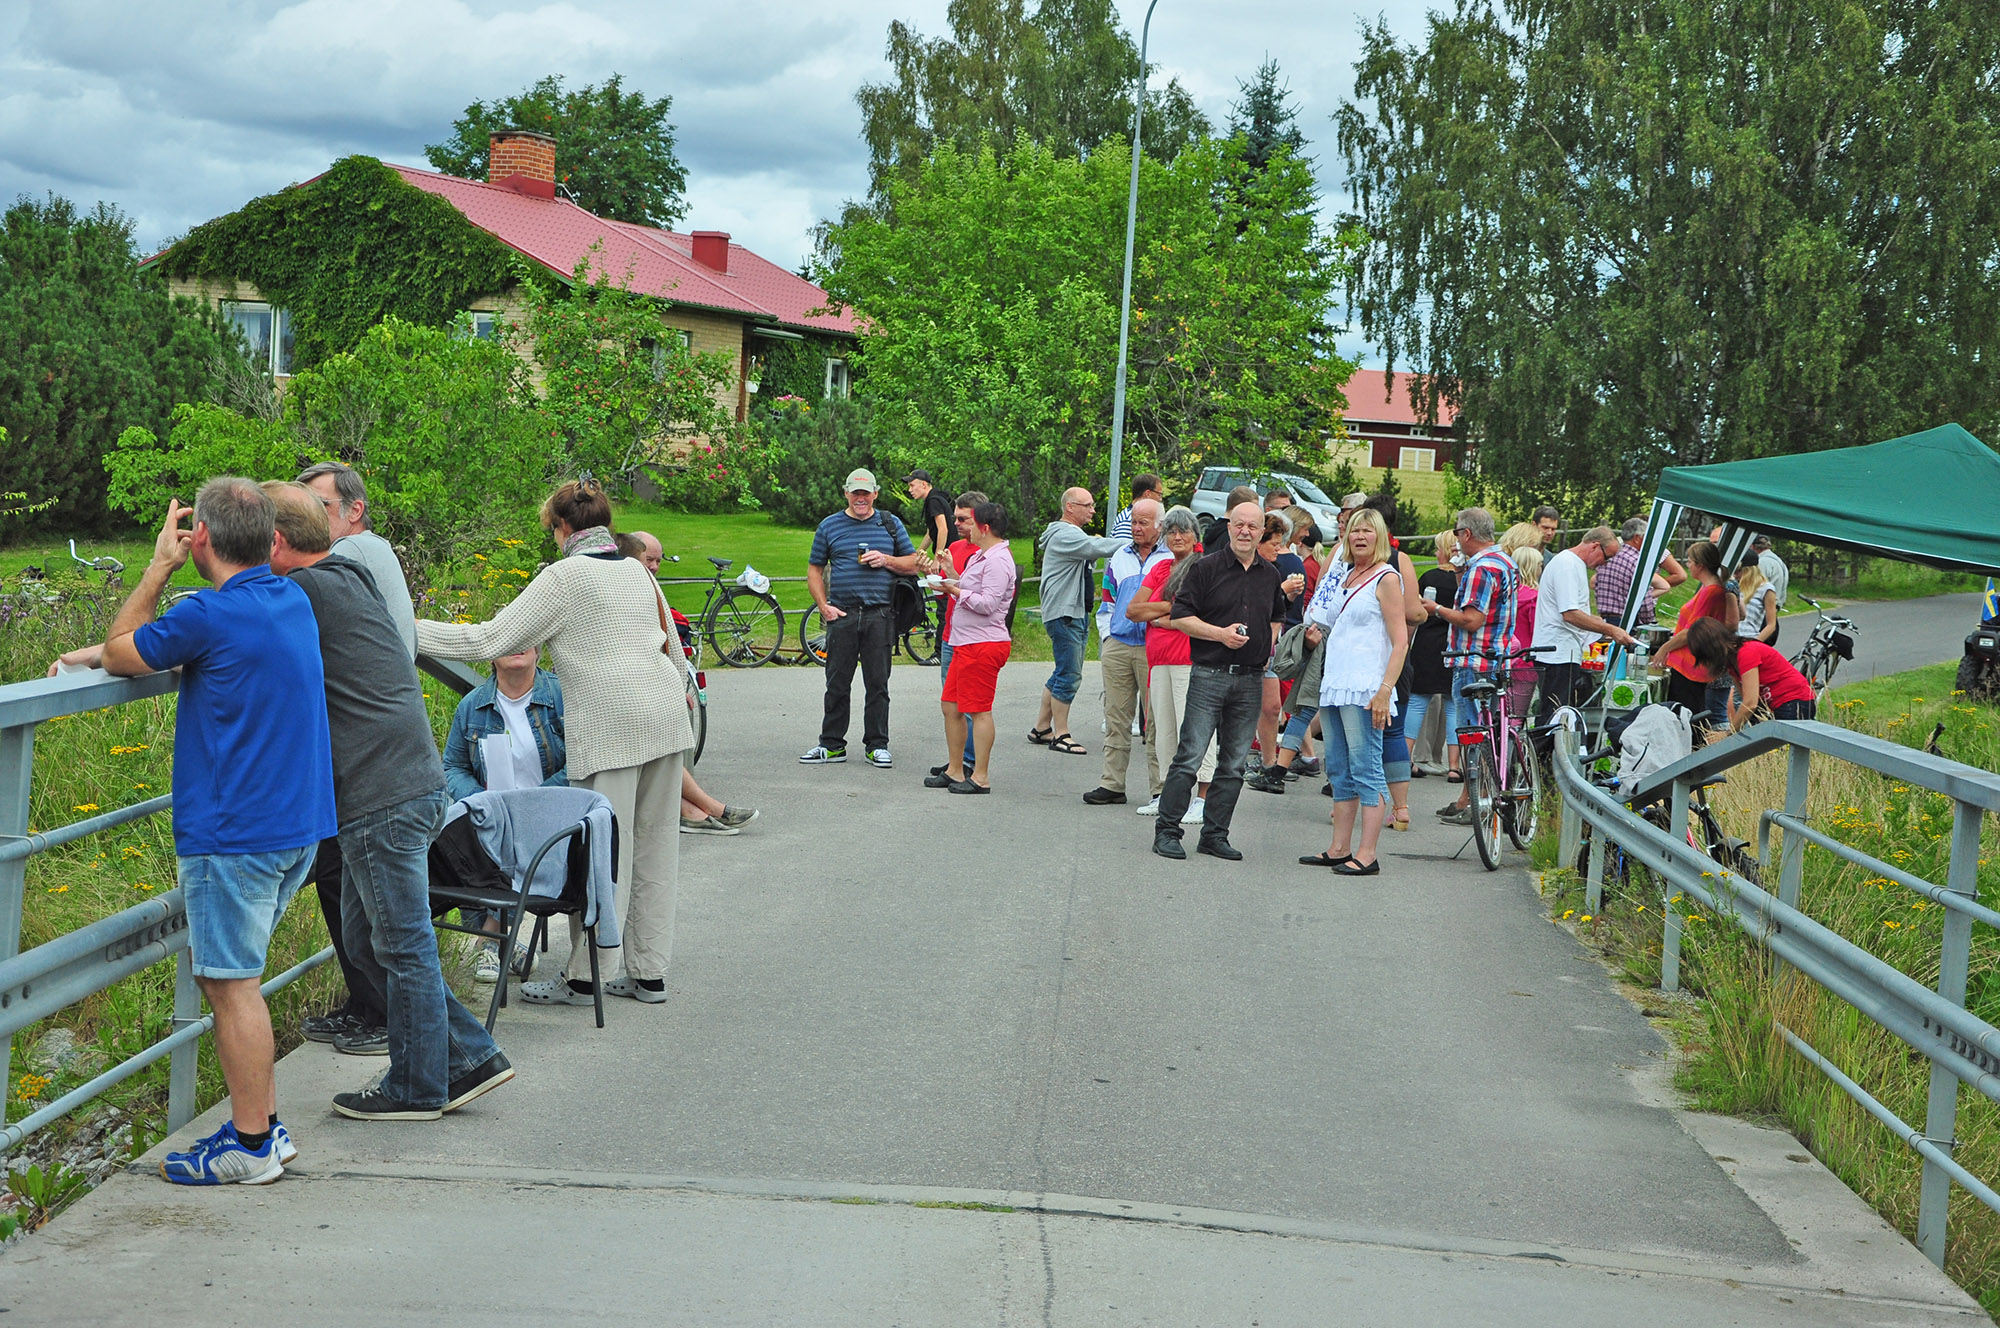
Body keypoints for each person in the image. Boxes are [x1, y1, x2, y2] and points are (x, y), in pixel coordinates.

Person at [62, 481, 337, 1183]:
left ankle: (249, 1148)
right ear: (271, 539)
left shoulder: (210, 614)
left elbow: (127, 648)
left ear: (202, 539)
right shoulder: (289, 600)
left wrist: (158, 568)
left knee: (230, 985)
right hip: (295, 827)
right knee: (240, 980)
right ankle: (267, 1133)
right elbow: (149, 646)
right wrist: (103, 650)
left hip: (235, 835)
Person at [263, 482, 511, 1122]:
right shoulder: (346, 575)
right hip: (406, 782)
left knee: (398, 945)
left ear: (275, 542)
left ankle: (418, 1085)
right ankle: (468, 1054)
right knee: (370, 938)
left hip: (382, 793)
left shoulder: (300, 593)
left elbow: (224, 632)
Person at [418, 479, 696, 1008]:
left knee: (600, 852)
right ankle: (649, 972)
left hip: (612, 723)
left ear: (561, 527)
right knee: (657, 844)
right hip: (663, 715)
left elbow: (490, 639)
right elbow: (672, 644)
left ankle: (587, 975)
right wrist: (681, 693)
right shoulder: (636, 568)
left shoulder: (565, 576)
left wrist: (406, 630)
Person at [293, 461, 412, 1055]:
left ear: (352, 511)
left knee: (373, 913)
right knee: (356, 897)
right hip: (382, 749)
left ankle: (383, 1018)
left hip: (368, 757)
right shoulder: (371, 555)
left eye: (318, 506)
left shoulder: (350, 560)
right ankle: (375, 1010)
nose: (308, 519)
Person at [1150, 502, 1288, 862]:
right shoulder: (1205, 568)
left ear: (1261, 531)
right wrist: (1219, 635)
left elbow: (1277, 616)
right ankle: (1167, 831)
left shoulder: (1270, 575)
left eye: (1253, 526)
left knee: (1234, 764)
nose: (1245, 531)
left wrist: (1268, 641)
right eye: (1239, 524)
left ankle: (1214, 834)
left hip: (1250, 679)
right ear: (1229, 528)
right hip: (1209, 674)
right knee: (1190, 756)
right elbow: (1180, 617)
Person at [612, 532, 757, 836]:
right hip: (623, 697)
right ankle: (702, 808)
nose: (652, 566)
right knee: (658, 730)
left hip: (644, 689)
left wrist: (675, 688)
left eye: (657, 561)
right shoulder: (623, 591)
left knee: (675, 716)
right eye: (647, 559)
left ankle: (690, 808)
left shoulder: (645, 589)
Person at [441, 647, 568, 981]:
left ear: (538, 650)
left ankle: (490, 940)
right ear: (492, 655)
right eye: (507, 640)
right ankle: (503, 942)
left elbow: (581, 759)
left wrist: (532, 802)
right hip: (493, 814)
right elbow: (452, 766)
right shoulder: (473, 705)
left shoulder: (560, 694)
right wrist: (481, 799)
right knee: (457, 831)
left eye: (524, 638)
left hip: (550, 813)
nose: (516, 646)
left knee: (518, 837)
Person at [1298, 509, 1410, 876]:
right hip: (1335, 683)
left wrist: (1384, 690)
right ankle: (1339, 847)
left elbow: (1400, 641)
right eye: (1353, 531)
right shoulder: (1344, 575)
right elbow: (1324, 619)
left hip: (1365, 687)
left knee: (1367, 769)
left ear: (1380, 537)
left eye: (1367, 531)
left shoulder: (1387, 578)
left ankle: (1367, 853)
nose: (1359, 537)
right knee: (1339, 770)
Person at [800, 469, 925, 768]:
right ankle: (831, 745)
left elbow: (913, 564)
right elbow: (815, 570)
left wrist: (886, 559)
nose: (860, 498)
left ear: (875, 494)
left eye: (865, 493)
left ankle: (877, 745)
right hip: (841, 613)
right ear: (846, 493)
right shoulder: (829, 526)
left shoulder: (890, 524)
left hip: (880, 614)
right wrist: (823, 606)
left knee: (878, 684)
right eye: (855, 493)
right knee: (837, 683)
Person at [1422, 508, 1515, 825]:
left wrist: (1436, 609)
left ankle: (1477, 801)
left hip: (1473, 659)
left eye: (1457, 532)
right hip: (1496, 656)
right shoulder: (1505, 562)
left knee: (1471, 734)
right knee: (1485, 732)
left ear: (1466, 534)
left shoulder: (1481, 569)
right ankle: (1470, 798)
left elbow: (1471, 620)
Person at [926, 500, 1019, 792]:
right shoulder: (982, 556)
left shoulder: (998, 561)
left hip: (984, 642)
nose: (963, 526)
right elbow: (970, 587)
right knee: (950, 705)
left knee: (978, 710)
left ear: (985, 527)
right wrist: (950, 575)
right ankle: (955, 769)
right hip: (965, 641)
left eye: (970, 521)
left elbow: (989, 604)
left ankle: (980, 776)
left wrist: (955, 590)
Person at [1128, 506, 1213, 821]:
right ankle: (1167, 795)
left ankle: (1203, 798)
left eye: (1184, 531)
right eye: (1172, 532)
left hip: (1189, 659)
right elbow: (1133, 611)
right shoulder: (1161, 567)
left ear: (1195, 536)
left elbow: (1199, 615)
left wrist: (1168, 617)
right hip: (1158, 660)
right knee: (1162, 731)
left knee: (1192, 729)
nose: (1177, 537)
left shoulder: (1203, 567)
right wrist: (1170, 607)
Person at [1084, 498, 1170, 806]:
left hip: (1154, 646)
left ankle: (1161, 788)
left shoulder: (1171, 557)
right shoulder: (1119, 556)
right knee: (1116, 717)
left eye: (1143, 523)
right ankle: (1112, 783)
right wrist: (1108, 637)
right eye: (1133, 521)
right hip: (1119, 644)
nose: (1135, 528)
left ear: (1160, 525)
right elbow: (1107, 600)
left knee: (1158, 721)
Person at [1032, 487, 1124, 757]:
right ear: (1070, 507)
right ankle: (1061, 734)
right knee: (1069, 674)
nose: (1093, 510)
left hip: (1072, 611)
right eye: (1088, 505)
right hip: (1065, 613)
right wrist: (1138, 543)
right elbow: (1098, 547)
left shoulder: (1070, 534)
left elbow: (1092, 545)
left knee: (1063, 670)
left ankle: (1041, 727)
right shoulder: (1065, 534)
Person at [296, 461, 415, 658]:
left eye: (320, 504)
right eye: (302, 506)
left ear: (354, 510)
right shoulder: (376, 547)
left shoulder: (352, 548)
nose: (308, 515)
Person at [1532, 528, 1639, 726]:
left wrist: (1599, 622)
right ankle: (1543, 755)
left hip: (1565, 651)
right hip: (1557, 653)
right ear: (1595, 546)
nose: (1604, 564)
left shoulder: (1574, 564)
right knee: (1553, 717)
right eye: (1607, 557)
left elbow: (1573, 610)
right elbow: (1570, 614)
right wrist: (1610, 630)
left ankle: (1552, 754)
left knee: (1562, 716)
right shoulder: (1567, 566)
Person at [1656, 540, 1742, 727]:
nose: (1687, 565)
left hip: (1690, 665)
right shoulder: (1711, 589)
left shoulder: (1710, 592)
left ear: (1700, 565)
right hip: (1690, 663)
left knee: (1686, 717)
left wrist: (1664, 648)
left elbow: (1691, 631)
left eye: (1690, 561)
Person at [930, 492, 986, 779]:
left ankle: (970, 762)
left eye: (962, 519)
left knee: (970, 704)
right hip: (951, 633)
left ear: (979, 519)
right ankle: (956, 762)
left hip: (973, 638)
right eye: (955, 518)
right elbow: (948, 589)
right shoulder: (954, 546)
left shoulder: (987, 553)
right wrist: (933, 576)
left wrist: (951, 575)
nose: (956, 524)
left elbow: (980, 595)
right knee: (950, 704)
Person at [1252, 513, 1309, 781]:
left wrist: (1286, 596)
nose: (1279, 548)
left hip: (1270, 648)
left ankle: (1269, 763)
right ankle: (1254, 760)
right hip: (1249, 647)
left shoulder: (1273, 570)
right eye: (1274, 543)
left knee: (1274, 707)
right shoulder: (1248, 569)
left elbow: (1277, 613)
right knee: (1247, 706)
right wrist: (1282, 592)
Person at [1687, 617, 1817, 729]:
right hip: (1774, 705)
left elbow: (1750, 703)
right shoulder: (1731, 663)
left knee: (1783, 750)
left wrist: (1728, 734)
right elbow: (1749, 704)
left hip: (1794, 701)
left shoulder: (1746, 653)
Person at [1405, 530, 1460, 780]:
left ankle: (1405, 759)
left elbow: (1415, 612)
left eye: (1438, 548)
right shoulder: (1463, 579)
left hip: (1427, 645)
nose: (1436, 553)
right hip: (1454, 643)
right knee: (1453, 706)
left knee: (1417, 701)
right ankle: (1454, 766)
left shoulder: (1430, 577)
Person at [1595, 515, 1687, 629]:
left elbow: (1594, 581)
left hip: (1605, 618)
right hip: (1630, 619)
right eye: (1646, 537)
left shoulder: (1609, 554)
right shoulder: (1638, 562)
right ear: (1637, 538)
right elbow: (1643, 598)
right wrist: (1649, 621)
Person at [1507, 545, 1543, 737]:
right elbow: (1536, 630)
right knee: (1516, 716)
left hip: (1503, 658)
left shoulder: (1505, 594)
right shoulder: (1535, 598)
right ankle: (1510, 759)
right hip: (1526, 662)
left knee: (1500, 711)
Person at [1753, 535, 1789, 646]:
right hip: (1774, 610)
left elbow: (1756, 589)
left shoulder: (1761, 562)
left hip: (1762, 613)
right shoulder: (1779, 562)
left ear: (1753, 546)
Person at [906, 469, 952, 555]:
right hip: (949, 553)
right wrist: (917, 554)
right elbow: (930, 533)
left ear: (923, 484)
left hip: (948, 555)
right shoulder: (934, 499)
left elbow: (943, 530)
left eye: (912, 486)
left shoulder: (933, 501)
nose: (909, 490)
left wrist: (937, 560)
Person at [1736, 555, 1779, 645]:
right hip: (1729, 640)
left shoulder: (1766, 588)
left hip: (1749, 638)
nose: (1735, 575)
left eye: (1738, 571)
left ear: (1749, 571)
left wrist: (1755, 643)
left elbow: (1771, 625)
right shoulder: (1734, 585)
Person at [1110, 473, 1165, 540]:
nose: (1160, 499)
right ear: (1148, 494)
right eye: (1159, 495)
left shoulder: (1131, 516)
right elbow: (1123, 547)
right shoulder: (1128, 519)